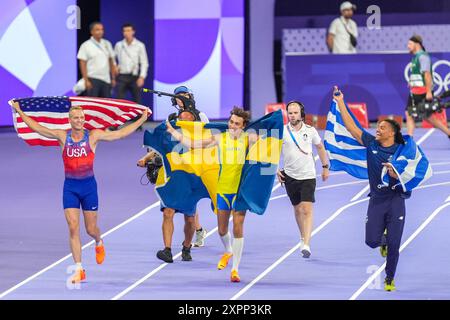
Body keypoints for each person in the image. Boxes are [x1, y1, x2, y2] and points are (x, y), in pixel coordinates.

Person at [10, 100, 149, 283]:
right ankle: (79, 269)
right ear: (70, 120)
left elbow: (120, 134)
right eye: (76, 118)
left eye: (82, 118)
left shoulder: (93, 136)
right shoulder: (62, 136)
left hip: (89, 188)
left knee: (91, 229)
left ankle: (99, 241)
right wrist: (19, 111)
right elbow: (37, 128)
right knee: (73, 227)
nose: (79, 120)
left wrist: (142, 118)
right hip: (70, 188)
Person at [167, 107, 257, 282]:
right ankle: (228, 251)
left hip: (239, 191)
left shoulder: (249, 139)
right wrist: (172, 131)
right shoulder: (220, 138)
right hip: (222, 189)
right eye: (231, 122)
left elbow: (265, 155)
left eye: (237, 124)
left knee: (238, 226)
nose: (232, 126)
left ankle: (235, 270)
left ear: (244, 126)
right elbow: (193, 144)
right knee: (222, 230)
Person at [333, 86, 409, 292]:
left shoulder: (402, 150)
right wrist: (340, 102)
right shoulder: (371, 143)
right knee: (371, 241)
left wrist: (396, 174)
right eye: (378, 126)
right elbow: (352, 128)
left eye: (383, 127)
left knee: (395, 243)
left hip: (396, 200)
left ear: (392, 132)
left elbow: (413, 172)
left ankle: (389, 278)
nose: (378, 128)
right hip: (376, 200)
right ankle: (382, 240)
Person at [276, 101, 329, 259]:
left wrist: (325, 167)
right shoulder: (282, 132)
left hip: (308, 175)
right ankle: (302, 236)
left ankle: (306, 243)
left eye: (295, 113)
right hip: (290, 176)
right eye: (290, 113)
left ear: (301, 114)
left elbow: (320, 147)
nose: (292, 115)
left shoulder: (310, 131)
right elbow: (272, 151)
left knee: (306, 209)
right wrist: (275, 170)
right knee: (298, 210)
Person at [405, 34, 450, 139]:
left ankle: (409, 140)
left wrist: (429, 91)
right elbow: (418, 74)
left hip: (421, 92)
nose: (408, 46)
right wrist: (411, 82)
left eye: (410, 44)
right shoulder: (416, 57)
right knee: (429, 116)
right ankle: (449, 133)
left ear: (417, 44)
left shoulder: (422, 57)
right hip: (416, 91)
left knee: (409, 114)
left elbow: (427, 74)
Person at [77, 22, 117, 98]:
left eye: (102, 29)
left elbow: (111, 61)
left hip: (106, 80)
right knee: (92, 105)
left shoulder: (107, 44)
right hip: (92, 79)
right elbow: (82, 63)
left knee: (106, 106)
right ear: (92, 32)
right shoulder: (86, 45)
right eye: (97, 30)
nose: (100, 31)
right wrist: (86, 80)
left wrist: (113, 78)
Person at [114, 23, 149, 104]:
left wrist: (142, 77)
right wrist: (115, 66)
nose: (127, 33)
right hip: (121, 76)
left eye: (129, 30)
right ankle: (120, 117)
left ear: (133, 32)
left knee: (137, 100)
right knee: (119, 101)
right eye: (125, 31)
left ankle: (139, 117)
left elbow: (144, 62)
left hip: (134, 77)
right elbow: (112, 58)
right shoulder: (119, 45)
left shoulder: (140, 45)